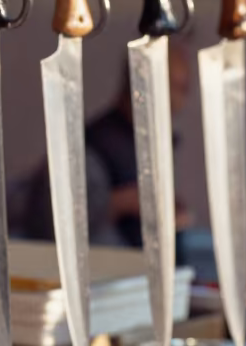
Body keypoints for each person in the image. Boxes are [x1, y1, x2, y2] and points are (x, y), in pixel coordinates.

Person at [24, 43, 193, 247]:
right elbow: (55, 221)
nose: (181, 100)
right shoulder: (94, 146)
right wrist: (123, 202)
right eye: (177, 87)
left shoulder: (151, 143)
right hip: (104, 266)